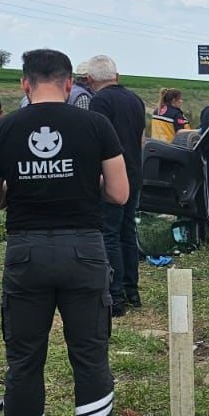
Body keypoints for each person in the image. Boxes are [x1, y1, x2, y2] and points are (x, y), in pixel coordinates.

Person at [0, 49, 127, 416]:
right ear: (67, 84)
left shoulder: (1, 129)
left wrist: (17, 188)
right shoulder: (96, 125)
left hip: (26, 255)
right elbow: (118, 193)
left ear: (24, 83)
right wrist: (81, 181)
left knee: (24, 362)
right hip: (84, 251)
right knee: (90, 356)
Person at [87, 55, 146, 316]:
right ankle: (133, 291)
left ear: (90, 80)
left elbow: (96, 139)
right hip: (134, 173)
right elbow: (141, 139)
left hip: (111, 176)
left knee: (109, 234)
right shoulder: (135, 99)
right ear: (117, 76)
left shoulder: (99, 101)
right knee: (127, 232)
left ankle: (115, 296)